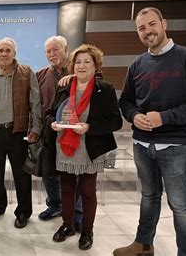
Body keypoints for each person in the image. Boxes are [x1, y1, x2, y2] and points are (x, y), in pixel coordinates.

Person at [115, 7, 186, 256]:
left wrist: (165, 118)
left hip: (177, 146)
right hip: (142, 144)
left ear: (164, 23)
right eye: (141, 28)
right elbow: (125, 102)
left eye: (151, 24)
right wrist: (135, 117)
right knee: (149, 196)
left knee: (181, 206)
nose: (148, 31)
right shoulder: (137, 64)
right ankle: (143, 244)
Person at [49, 44, 122, 250]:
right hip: (65, 147)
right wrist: (52, 124)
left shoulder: (104, 89)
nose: (81, 66)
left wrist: (89, 127)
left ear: (96, 65)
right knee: (66, 190)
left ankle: (87, 231)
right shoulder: (64, 87)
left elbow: (115, 121)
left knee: (88, 191)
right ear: (72, 65)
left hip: (90, 147)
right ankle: (67, 225)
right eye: (78, 62)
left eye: (87, 62)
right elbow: (50, 112)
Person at [0, 37, 42, 228]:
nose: (4, 54)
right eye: (1, 51)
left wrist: (36, 128)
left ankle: (23, 211)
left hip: (18, 131)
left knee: (21, 175)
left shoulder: (26, 72)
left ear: (14, 53)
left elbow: (35, 102)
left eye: (8, 50)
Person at [36, 36, 83, 231]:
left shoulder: (79, 72)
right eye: (48, 51)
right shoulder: (40, 75)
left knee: (74, 173)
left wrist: (75, 78)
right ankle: (55, 205)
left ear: (66, 50)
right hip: (49, 130)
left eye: (56, 49)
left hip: (74, 133)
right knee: (49, 172)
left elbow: (96, 87)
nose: (52, 54)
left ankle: (77, 213)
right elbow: (35, 105)